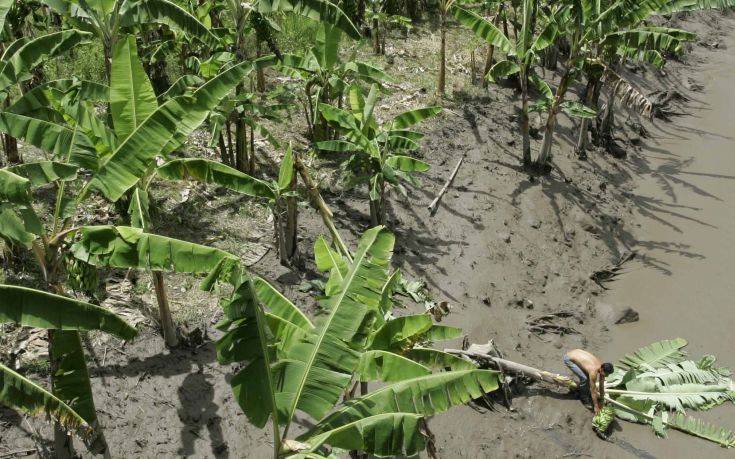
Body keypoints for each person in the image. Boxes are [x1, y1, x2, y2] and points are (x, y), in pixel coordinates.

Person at [563, 349, 614, 414]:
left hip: (575, 352)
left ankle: (582, 388)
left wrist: (602, 399)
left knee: (588, 377)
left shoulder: (602, 366)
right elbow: (593, 390)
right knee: (585, 379)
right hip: (568, 359)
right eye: (606, 374)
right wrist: (596, 406)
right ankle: (584, 398)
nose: (606, 376)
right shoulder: (593, 372)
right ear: (602, 370)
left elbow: (601, 385)